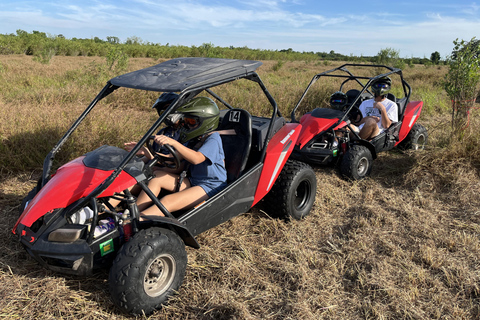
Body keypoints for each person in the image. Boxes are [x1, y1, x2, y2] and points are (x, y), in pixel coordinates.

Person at [136, 96, 228, 218]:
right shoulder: (194, 138)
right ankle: (133, 212)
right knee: (157, 176)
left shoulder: (213, 139)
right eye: (186, 120)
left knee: (168, 201)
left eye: (192, 122)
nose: (187, 125)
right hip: (192, 180)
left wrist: (174, 143)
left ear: (205, 122)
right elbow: (172, 158)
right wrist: (149, 154)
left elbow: (196, 158)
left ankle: (133, 223)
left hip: (210, 185)